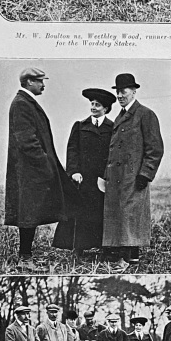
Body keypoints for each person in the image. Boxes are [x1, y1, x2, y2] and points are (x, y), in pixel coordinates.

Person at [4, 67, 78, 267]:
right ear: (29, 82)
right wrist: (45, 164)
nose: (43, 85)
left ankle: (26, 255)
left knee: (31, 212)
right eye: (40, 81)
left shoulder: (26, 102)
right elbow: (27, 141)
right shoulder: (21, 104)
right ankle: (24, 258)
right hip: (31, 171)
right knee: (28, 214)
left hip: (34, 169)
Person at [101, 73, 164, 270]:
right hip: (116, 177)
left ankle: (128, 258)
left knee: (130, 214)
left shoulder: (145, 114)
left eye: (124, 92)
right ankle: (126, 256)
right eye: (118, 92)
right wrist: (106, 175)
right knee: (119, 214)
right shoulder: (119, 117)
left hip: (133, 176)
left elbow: (155, 148)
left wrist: (145, 173)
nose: (120, 96)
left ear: (134, 92)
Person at [52, 88, 115, 255]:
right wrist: (74, 171)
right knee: (80, 213)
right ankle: (78, 247)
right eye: (92, 104)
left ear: (106, 108)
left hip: (103, 179)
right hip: (83, 179)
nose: (93, 107)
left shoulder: (113, 128)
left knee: (101, 212)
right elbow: (72, 150)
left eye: (97, 105)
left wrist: (107, 175)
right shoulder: (80, 126)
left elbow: (115, 153)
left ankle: (103, 247)